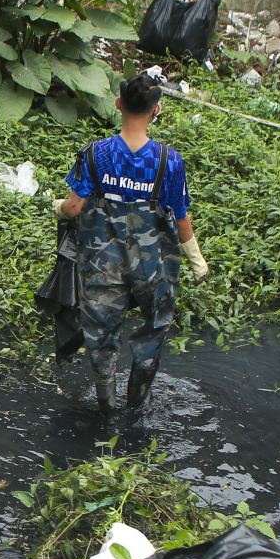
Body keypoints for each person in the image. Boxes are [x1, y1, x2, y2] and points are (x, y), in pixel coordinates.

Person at [53, 70, 209, 411]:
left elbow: (74, 207)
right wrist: (197, 259)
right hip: (153, 267)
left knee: (102, 332)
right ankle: (137, 407)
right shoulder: (169, 161)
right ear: (157, 110)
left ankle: (106, 408)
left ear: (119, 103)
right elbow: (182, 218)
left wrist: (59, 209)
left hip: (102, 263)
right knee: (154, 328)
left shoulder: (96, 154)